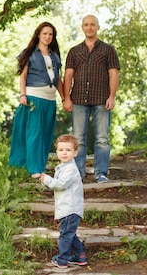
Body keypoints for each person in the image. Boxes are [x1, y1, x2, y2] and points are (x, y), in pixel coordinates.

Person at [63, 15, 120, 183]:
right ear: (82, 27)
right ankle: (78, 173)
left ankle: (101, 173)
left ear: (98, 27)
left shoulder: (108, 50)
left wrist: (112, 96)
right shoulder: (74, 51)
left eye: (92, 25)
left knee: (102, 139)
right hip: (78, 99)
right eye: (86, 25)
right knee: (78, 139)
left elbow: (113, 74)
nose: (89, 27)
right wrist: (66, 98)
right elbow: (68, 76)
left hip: (102, 99)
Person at [9, 21, 65, 179]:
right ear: (38, 35)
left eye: (50, 34)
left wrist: (64, 98)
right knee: (34, 134)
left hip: (50, 100)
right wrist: (22, 94)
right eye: (44, 33)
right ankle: (33, 169)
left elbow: (58, 79)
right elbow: (23, 76)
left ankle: (39, 166)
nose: (47, 37)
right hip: (34, 98)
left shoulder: (54, 56)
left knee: (46, 135)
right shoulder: (29, 53)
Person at [40, 134, 87, 268]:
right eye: (61, 150)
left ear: (75, 152)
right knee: (69, 234)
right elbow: (57, 186)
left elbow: (60, 184)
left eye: (68, 150)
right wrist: (46, 182)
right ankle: (80, 256)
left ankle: (62, 259)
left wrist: (47, 180)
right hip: (66, 207)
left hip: (70, 208)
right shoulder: (62, 167)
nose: (64, 153)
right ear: (57, 152)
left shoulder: (70, 169)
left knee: (65, 235)